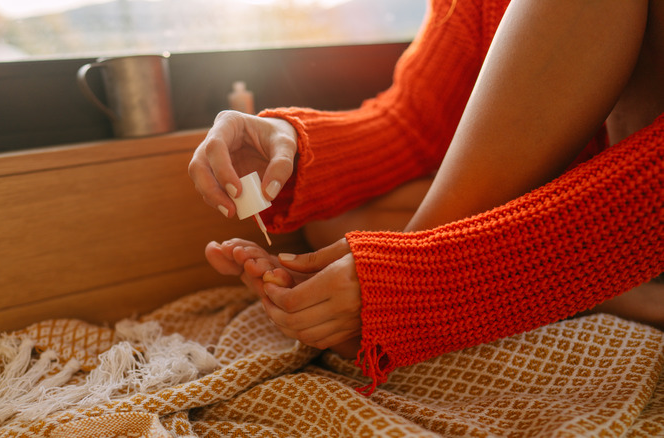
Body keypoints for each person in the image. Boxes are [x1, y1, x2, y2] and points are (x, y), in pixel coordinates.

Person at [188, 0, 664, 392]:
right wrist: (284, 142)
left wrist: (420, 281)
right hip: (560, 219)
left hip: (643, 223)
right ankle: (604, 291)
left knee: (362, 251)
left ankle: (411, 292)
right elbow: (412, 121)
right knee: (339, 223)